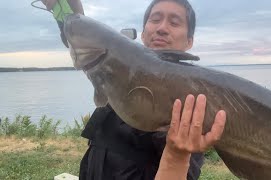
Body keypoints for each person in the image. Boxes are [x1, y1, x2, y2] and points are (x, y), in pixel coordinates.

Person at [42, 0, 227, 179]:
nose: (162, 28)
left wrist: (177, 155)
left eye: (174, 22)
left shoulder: (193, 97)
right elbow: (88, 45)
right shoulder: (118, 69)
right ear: (144, 34)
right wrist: (68, 12)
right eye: (155, 19)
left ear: (189, 41)